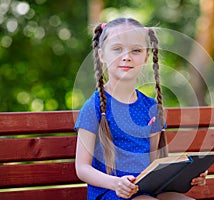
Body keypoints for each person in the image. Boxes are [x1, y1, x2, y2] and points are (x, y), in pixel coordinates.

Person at [75, 17, 207, 200]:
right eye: (117, 49)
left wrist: (187, 175)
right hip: (111, 193)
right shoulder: (95, 107)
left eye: (136, 50)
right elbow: (82, 168)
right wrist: (115, 182)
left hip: (146, 191)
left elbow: (156, 165)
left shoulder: (151, 107)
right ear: (102, 55)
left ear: (146, 56)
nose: (126, 56)